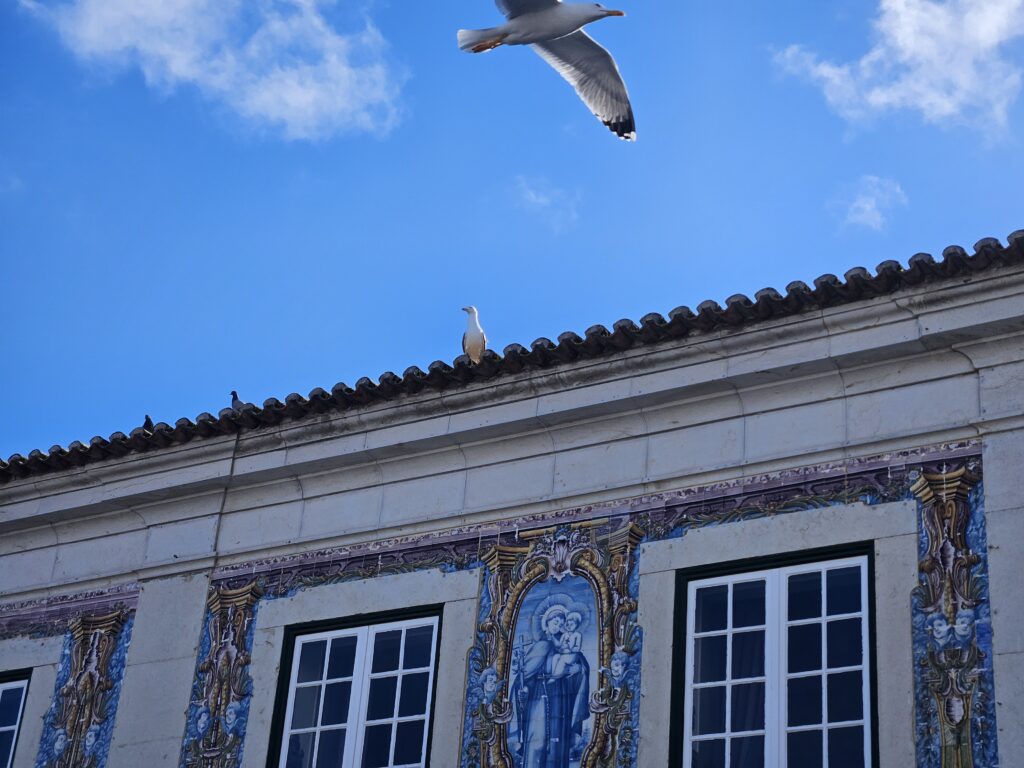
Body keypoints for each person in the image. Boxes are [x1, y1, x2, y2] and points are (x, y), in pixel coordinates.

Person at [513, 605, 590, 768]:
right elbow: (525, 674)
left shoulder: (564, 647)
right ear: (546, 624)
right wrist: (525, 688)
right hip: (539, 699)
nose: (558, 625)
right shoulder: (541, 645)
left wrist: (578, 670)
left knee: (558, 743)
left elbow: (580, 669)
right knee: (538, 741)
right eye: (555, 622)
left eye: (561, 622)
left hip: (561, 702)